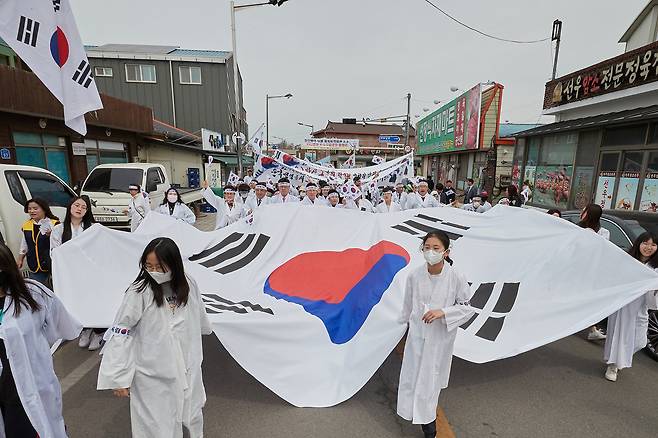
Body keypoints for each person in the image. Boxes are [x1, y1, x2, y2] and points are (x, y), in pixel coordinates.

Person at [97, 238, 212, 438]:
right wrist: (118, 377)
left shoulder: (188, 283)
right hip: (152, 374)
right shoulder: (139, 291)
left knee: (192, 416)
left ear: (174, 264)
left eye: (159, 266)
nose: (154, 271)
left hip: (187, 366)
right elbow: (121, 331)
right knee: (156, 426)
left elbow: (198, 317)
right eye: (149, 266)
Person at [397, 231, 475, 438]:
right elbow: (407, 305)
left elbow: (467, 308)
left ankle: (429, 426)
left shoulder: (456, 276)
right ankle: (415, 414)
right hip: (417, 336)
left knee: (430, 381)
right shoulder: (414, 275)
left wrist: (444, 312)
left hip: (439, 339)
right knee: (413, 378)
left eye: (436, 248)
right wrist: (401, 327)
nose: (430, 252)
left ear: (446, 251)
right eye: (427, 247)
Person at [0, 242, 82, 438]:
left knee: (38, 428)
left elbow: (59, 327)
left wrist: (32, 346)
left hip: (30, 387)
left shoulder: (33, 293)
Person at [49, 196, 104, 351]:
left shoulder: (93, 228)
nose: (79, 209)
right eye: (76, 205)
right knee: (78, 302)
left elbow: (99, 250)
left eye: (83, 207)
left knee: (94, 301)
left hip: (90, 273)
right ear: (70, 207)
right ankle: (85, 330)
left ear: (87, 211)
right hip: (71, 275)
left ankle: (99, 332)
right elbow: (55, 253)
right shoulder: (59, 229)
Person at [603, 232, 658, 382]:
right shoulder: (627, 260)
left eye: (653, 244)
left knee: (640, 341)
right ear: (638, 243)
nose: (648, 247)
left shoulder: (655, 268)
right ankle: (613, 365)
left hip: (641, 308)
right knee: (619, 335)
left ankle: (619, 358)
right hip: (623, 305)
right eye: (645, 243)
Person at [579, 203, 611, 341]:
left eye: (584, 210)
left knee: (587, 300)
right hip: (575, 270)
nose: (582, 212)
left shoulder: (604, 232)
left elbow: (601, 251)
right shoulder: (576, 228)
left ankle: (592, 328)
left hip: (591, 273)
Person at [17, 198, 59, 286]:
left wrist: (52, 235)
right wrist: (20, 259)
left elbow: (61, 243)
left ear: (44, 209)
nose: (32, 211)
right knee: (36, 289)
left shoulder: (54, 224)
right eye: (29, 209)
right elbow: (24, 244)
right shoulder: (26, 225)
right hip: (34, 264)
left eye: (35, 208)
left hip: (51, 264)